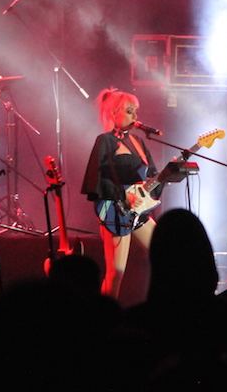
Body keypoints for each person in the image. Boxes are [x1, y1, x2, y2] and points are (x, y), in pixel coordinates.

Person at [81, 87, 159, 298]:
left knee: (165, 254)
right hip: (115, 210)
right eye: (129, 111)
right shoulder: (104, 141)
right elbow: (95, 180)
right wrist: (124, 195)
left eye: (136, 111)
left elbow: (152, 176)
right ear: (113, 113)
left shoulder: (138, 142)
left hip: (138, 211)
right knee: (116, 272)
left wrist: (170, 174)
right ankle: (104, 313)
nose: (135, 116)